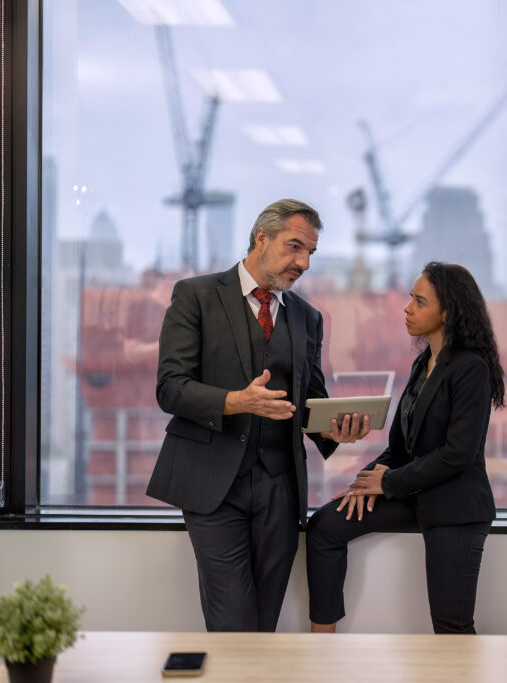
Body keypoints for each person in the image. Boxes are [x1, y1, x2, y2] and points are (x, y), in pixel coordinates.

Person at [146, 199, 370, 632]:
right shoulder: (195, 296)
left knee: (264, 626)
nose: (303, 262)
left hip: (280, 490)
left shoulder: (307, 317)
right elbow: (170, 387)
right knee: (233, 625)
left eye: (310, 253)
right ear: (261, 238)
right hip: (213, 486)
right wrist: (235, 401)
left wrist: (338, 430)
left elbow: (310, 402)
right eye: (294, 247)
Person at [305, 261, 504, 635]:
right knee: (324, 526)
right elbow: (399, 446)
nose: (406, 308)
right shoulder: (422, 364)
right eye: (411, 298)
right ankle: (322, 644)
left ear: (447, 312)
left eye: (419, 301)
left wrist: (389, 483)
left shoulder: (471, 368)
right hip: (414, 492)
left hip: (455, 507)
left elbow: (457, 454)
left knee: (451, 627)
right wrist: (366, 481)